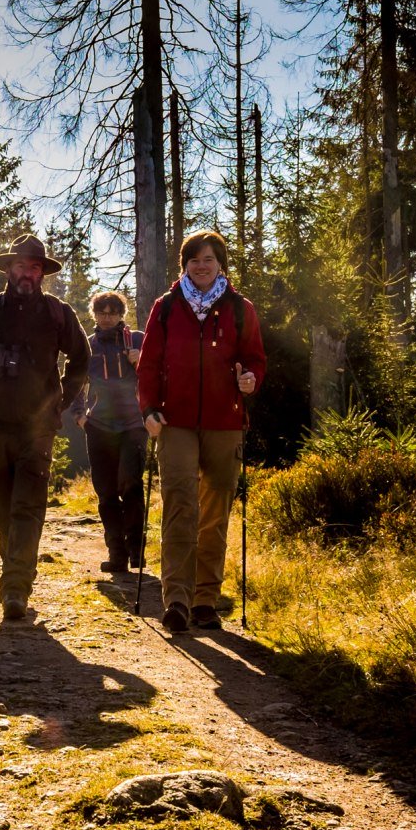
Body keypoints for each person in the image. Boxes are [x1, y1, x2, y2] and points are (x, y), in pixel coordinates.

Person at [136, 230, 266, 634]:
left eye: (209, 258)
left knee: (213, 515)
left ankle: (206, 601)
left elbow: (255, 360)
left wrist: (250, 380)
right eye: (194, 259)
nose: (202, 265)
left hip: (225, 423)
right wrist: (149, 409)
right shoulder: (167, 307)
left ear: (220, 263)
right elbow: (149, 363)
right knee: (180, 507)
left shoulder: (240, 309)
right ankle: (176, 599)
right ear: (184, 265)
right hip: (173, 423)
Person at [0, 234, 89, 620]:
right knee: (0, 498)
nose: (28, 273)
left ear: (43, 273)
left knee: (28, 502)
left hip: (37, 427)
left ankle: (16, 587)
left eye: (35, 267)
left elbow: (81, 359)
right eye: (21, 265)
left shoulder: (58, 313)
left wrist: (60, 403)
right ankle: (15, 568)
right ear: (9, 270)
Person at [74, 291, 147, 574]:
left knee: (130, 483)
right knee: (105, 492)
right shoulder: (88, 345)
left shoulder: (137, 340)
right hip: (99, 426)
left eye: (113, 312)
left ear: (121, 314)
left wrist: (139, 361)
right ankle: (116, 553)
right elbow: (77, 382)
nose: (107, 317)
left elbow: (158, 374)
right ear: (94, 314)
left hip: (133, 424)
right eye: (102, 312)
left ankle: (136, 548)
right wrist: (80, 416)